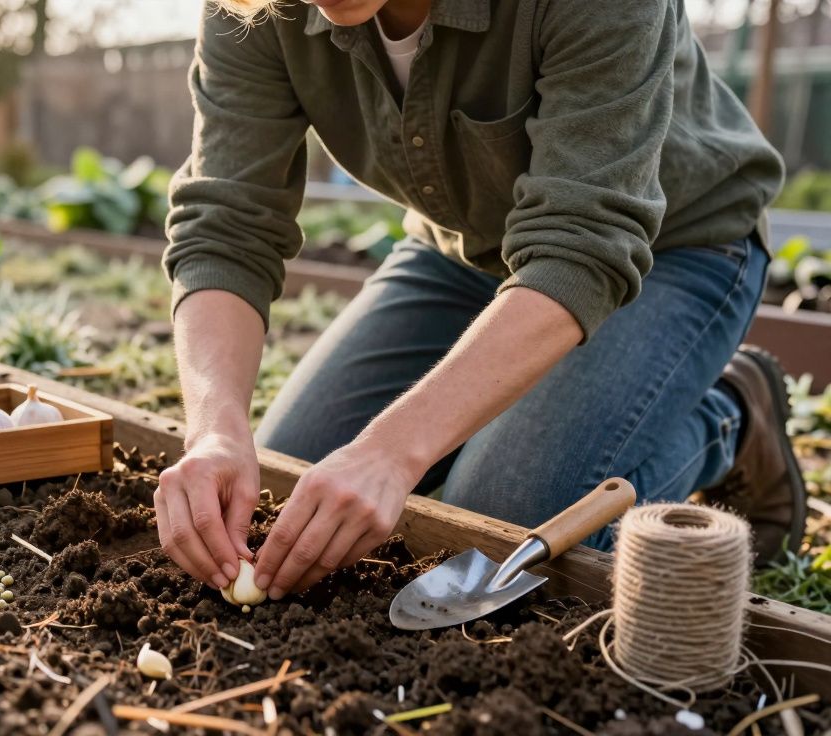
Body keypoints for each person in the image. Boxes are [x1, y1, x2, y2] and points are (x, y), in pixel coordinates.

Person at [155, 0, 804, 601]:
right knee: (289, 482)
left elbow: (581, 248)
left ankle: (734, 416)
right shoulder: (256, 8)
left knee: (503, 521)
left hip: (675, 246)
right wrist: (214, 430)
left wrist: (393, 451)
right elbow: (226, 225)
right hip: (464, 252)